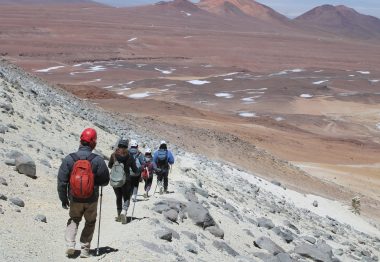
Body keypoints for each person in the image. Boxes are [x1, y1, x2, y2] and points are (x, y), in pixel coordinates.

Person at [57, 128, 110, 258]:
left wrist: (63, 199)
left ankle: (70, 244)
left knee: (74, 219)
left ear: (80, 141)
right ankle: (85, 249)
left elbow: (62, 182)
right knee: (90, 222)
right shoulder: (98, 160)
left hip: (74, 198)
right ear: (94, 143)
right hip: (91, 198)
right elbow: (105, 181)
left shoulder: (70, 159)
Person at [108, 138, 138, 224]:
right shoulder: (129, 156)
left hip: (115, 179)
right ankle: (124, 212)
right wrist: (139, 171)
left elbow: (110, 165)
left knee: (118, 197)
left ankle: (118, 215)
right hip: (126, 180)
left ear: (119, 145)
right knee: (126, 197)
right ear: (127, 146)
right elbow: (135, 170)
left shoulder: (113, 155)